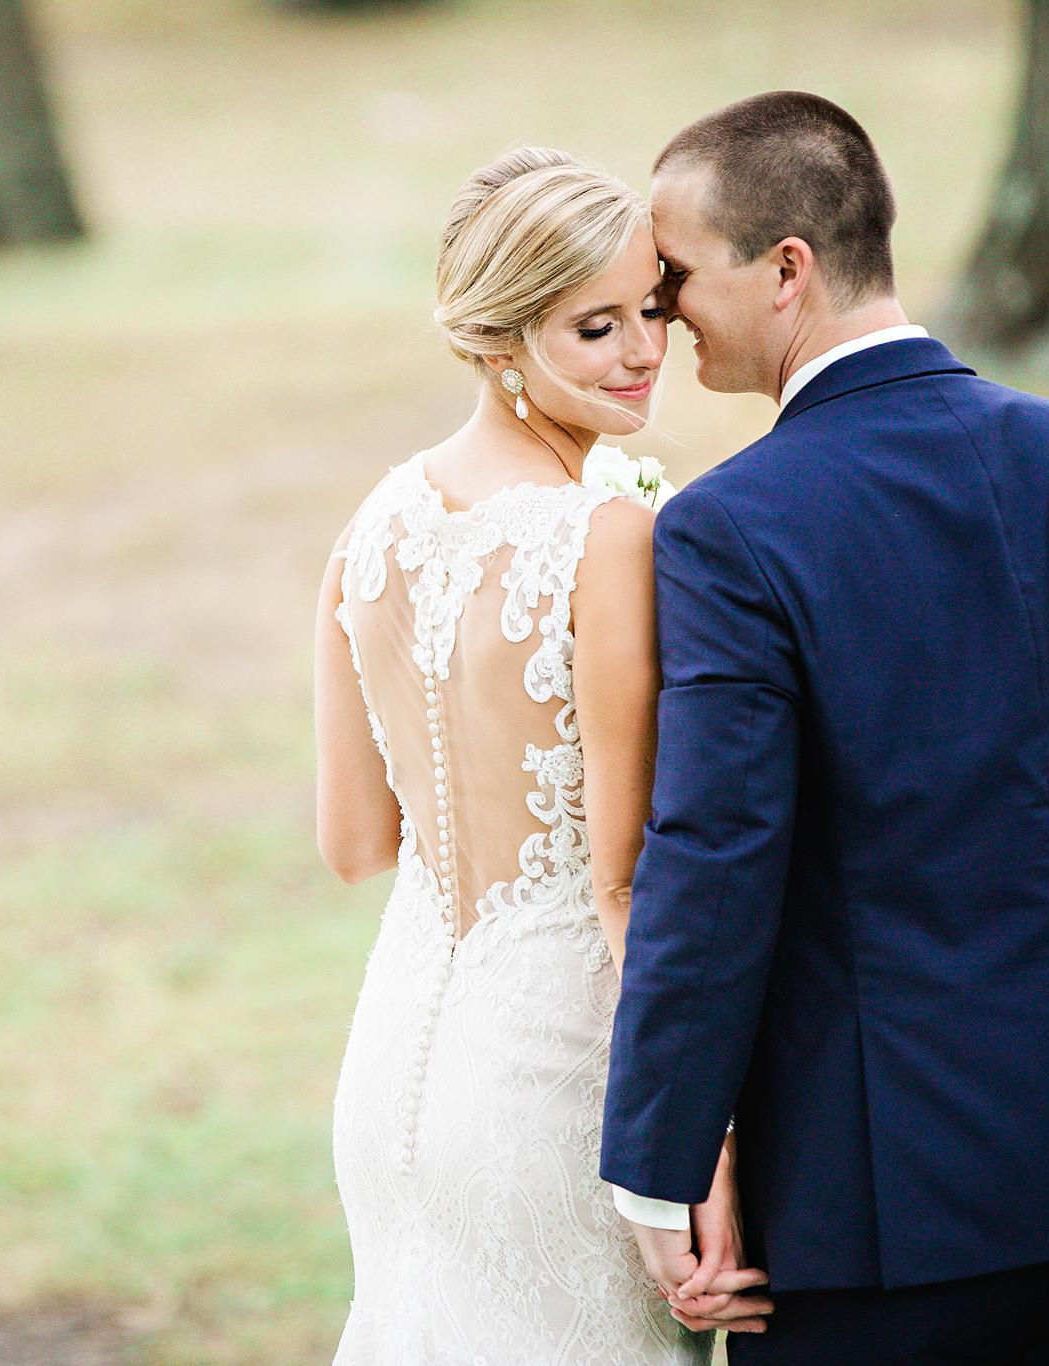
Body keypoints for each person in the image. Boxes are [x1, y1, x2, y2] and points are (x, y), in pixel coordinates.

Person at [601, 91, 1049, 1364]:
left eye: (677, 275)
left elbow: (716, 855)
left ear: (784, 269)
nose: (663, 310)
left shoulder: (730, 528)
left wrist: (658, 1165)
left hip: (892, 1225)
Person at [313, 146, 769, 1363]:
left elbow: (352, 843)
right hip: (554, 1081)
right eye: (594, 327)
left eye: (651, 312)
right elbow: (623, 884)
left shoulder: (371, 527)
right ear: (502, 338)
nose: (641, 352)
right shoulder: (604, 536)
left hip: (394, 1065)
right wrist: (701, 1147)